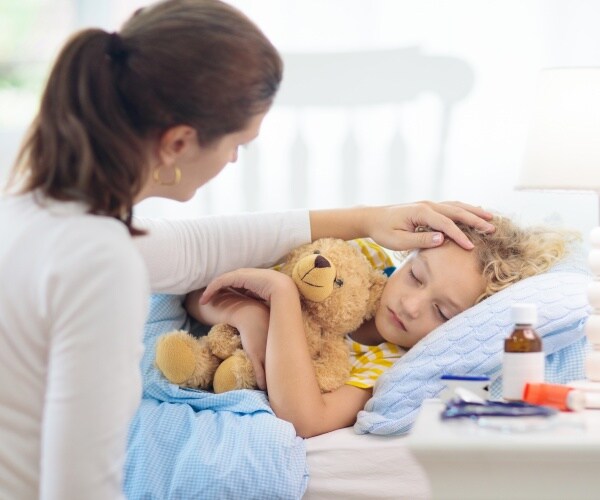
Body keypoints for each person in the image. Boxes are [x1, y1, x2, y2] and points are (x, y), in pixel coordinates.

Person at [0, 0, 494, 498]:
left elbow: (204, 247)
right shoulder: (101, 261)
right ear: (177, 144)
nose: (235, 160)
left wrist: (367, 220)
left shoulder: (39, 213)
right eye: (238, 143)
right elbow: (79, 485)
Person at [196, 215, 574, 437]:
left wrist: (281, 296)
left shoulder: (392, 362)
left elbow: (306, 420)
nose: (410, 306)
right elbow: (197, 292)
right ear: (408, 255)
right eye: (416, 276)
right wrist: (249, 315)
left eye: (441, 313)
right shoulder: (361, 259)